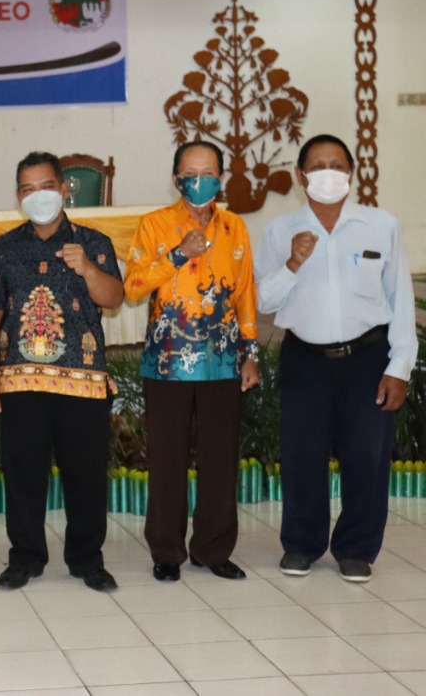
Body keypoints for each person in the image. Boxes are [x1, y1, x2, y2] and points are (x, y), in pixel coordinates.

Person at [256, 134, 417, 582]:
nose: (328, 173)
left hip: (367, 357)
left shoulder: (380, 225)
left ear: (351, 172)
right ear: (300, 176)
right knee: (301, 453)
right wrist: (292, 263)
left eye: (337, 164)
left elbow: (400, 299)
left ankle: (357, 548)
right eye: (317, 165)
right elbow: (262, 299)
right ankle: (302, 544)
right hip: (304, 358)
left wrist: (399, 366)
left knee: (366, 455)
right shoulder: (279, 230)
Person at [0, 152, 124, 593]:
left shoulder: (94, 242)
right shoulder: (3, 248)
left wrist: (88, 269)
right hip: (20, 382)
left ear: (64, 189)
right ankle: (25, 557)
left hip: (82, 381)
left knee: (86, 474)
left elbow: (114, 297)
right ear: (19, 196)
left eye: (45, 186)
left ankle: (86, 559)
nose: (37, 195)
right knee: (23, 474)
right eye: (27, 189)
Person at [124, 140, 260, 583]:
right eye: (190, 173)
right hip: (167, 363)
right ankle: (167, 550)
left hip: (222, 360)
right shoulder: (154, 225)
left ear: (221, 178)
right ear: (176, 178)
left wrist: (250, 353)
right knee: (167, 459)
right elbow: (134, 285)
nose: (199, 182)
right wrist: (179, 253)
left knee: (221, 459)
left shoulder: (236, 228)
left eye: (209, 173)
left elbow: (244, 295)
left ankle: (212, 549)